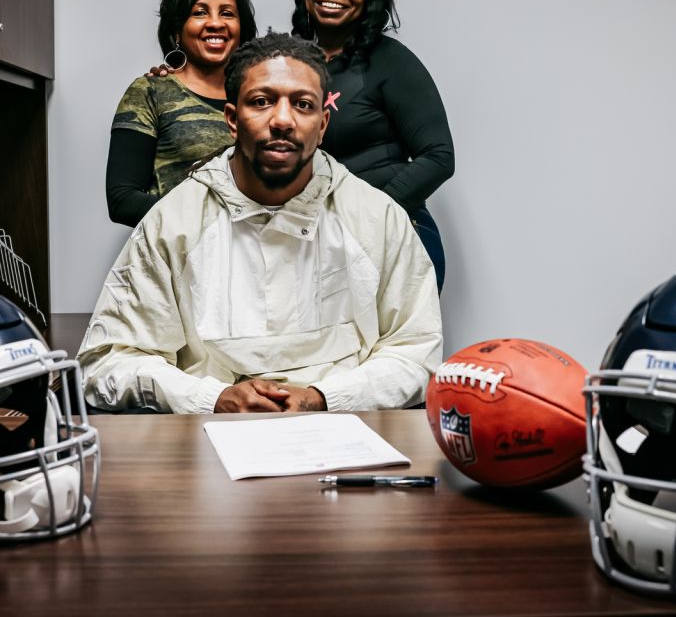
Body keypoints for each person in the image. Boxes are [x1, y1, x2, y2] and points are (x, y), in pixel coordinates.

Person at [78, 33, 443, 414]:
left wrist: (321, 398)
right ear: (232, 120)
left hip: (344, 438)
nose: (282, 120)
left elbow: (416, 354)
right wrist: (213, 399)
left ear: (322, 125)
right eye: (262, 101)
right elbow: (108, 361)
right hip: (208, 443)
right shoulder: (174, 221)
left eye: (302, 104)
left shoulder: (376, 218)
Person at [291, 0, 455, 291]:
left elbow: (439, 156)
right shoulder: (286, 63)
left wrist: (370, 215)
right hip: (311, 240)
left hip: (391, 235)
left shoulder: (389, 60)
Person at [106, 0, 257, 227]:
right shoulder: (151, 91)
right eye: (199, 12)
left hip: (256, 257)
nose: (215, 23)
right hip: (179, 259)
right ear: (177, 31)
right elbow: (122, 200)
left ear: (241, 28)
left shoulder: (260, 97)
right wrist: (215, 224)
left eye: (227, 13)